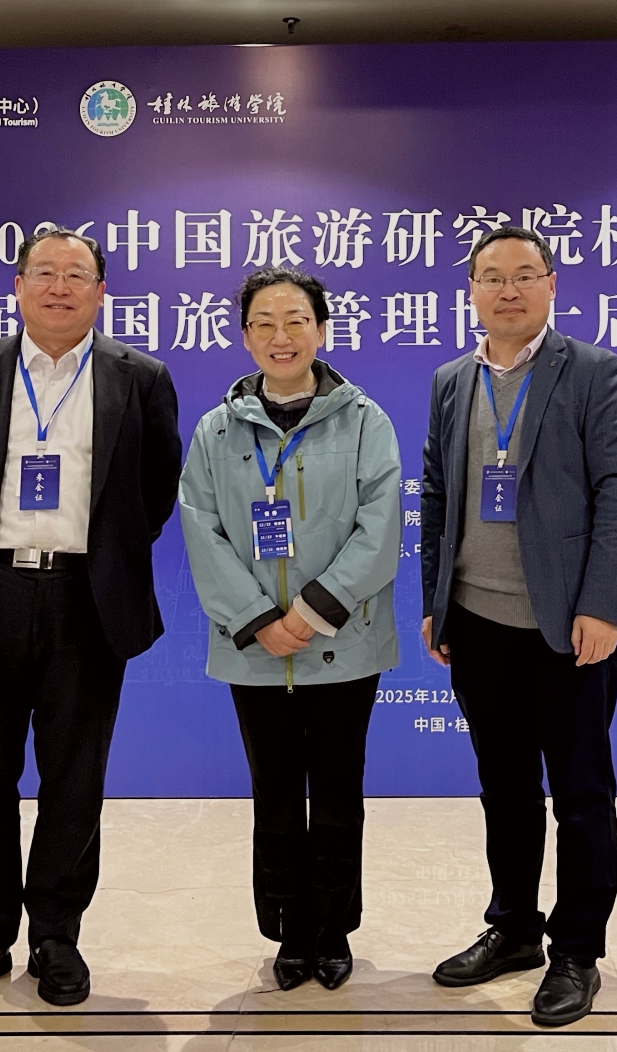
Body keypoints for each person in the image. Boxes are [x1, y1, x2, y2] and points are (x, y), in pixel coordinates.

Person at [0, 227, 182, 1011]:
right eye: (44, 272)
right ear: (18, 286)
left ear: (101, 292)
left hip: (86, 600)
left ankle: (56, 936)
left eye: (76, 275)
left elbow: (155, 487)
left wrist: (99, 558)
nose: (59, 287)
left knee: (74, 777)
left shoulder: (140, 378)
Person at [419, 226, 617, 1027]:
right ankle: (513, 929)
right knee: (505, 790)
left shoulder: (590, 370)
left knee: (581, 794)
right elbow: (437, 493)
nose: (507, 290)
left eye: (523, 275)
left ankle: (576, 950)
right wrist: (435, 600)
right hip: (478, 622)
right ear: (472, 291)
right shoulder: (453, 379)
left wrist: (602, 605)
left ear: (551, 284)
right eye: (491, 277)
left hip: (567, 626)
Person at [178, 266, 402, 992]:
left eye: (296, 320)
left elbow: (381, 527)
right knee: (273, 795)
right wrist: (256, 620)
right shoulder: (216, 430)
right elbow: (201, 529)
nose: (281, 336)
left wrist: (309, 612)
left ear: (322, 331)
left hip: (342, 643)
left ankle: (332, 929)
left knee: (337, 794)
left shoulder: (364, 420)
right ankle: (289, 931)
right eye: (264, 323)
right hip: (253, 649)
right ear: (245, 337)